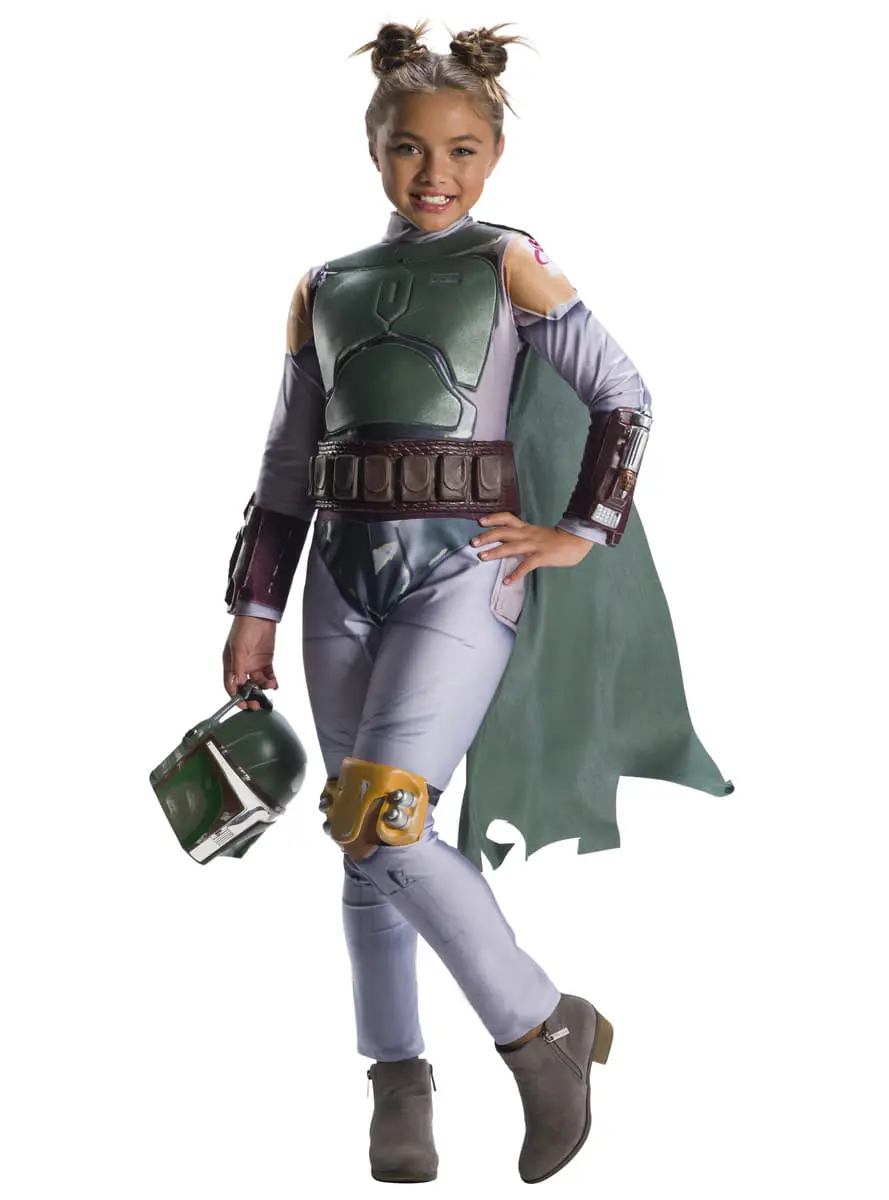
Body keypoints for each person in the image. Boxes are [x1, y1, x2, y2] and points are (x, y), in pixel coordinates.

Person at [221, 20, 730, 1185]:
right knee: (361, 839)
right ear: (374, 151)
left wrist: (578, 530)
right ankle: (397, 1077)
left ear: (494, 153)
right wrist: (254, 606)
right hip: (338, 577)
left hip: (463, 571)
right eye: (409, 148)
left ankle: (539, 1028)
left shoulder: (508, 264)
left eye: (460, 149)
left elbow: (624, 396)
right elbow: (286, 463)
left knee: (384, 815)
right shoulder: (322, 287)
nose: (434, 172)